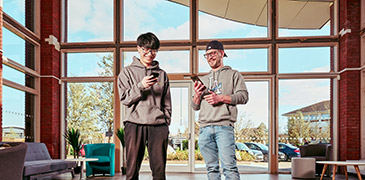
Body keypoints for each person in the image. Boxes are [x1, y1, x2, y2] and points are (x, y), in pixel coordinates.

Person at [117, 32, 172, 180]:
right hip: (134, 124)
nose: (150, 53)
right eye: (146, 49)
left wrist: (166, 121)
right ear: (139, 48)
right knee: (132, 170)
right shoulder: (126, 72)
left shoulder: (162, 74)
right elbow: (125, 99)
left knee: (159, 172)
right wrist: (140, 86)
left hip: (158, 126)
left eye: (154, 50)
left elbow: (167, 102)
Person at [192, 40, 249, 180]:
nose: (210, 57)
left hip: (224, 127)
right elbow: (195, 106)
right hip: (204, 129)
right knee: (211, 169)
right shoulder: (203, 79)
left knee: (229, 168)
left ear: (222, 54)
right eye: (207, 55)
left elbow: (244, 97)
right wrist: (198, 96)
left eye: (213, 53)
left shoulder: (234, 75)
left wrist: (221, 98)